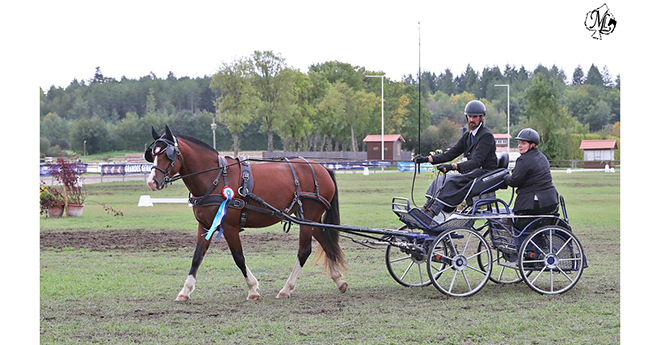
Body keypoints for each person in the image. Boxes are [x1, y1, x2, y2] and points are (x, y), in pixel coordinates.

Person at [413, 100, 498, 221]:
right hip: (473, 172)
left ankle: (432, 212)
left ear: (482, 117)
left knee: (451, 180)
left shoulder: (486, 136)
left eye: (474, 117)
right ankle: (426, 208)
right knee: (441, 179)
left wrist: (453, 167)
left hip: (484, 172)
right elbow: (450, 154)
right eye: (469, 116)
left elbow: (476, 162)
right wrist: (427, 159)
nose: (471, 120)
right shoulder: (468, 135)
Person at [503, 128, 558, 216]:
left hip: (534, 203)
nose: (519, 146)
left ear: (532, 145)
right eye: (519, 143)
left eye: (523, 143)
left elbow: (514, 181)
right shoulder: (542, 157)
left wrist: (505, 176)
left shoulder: (524, 160)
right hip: (551, 201)